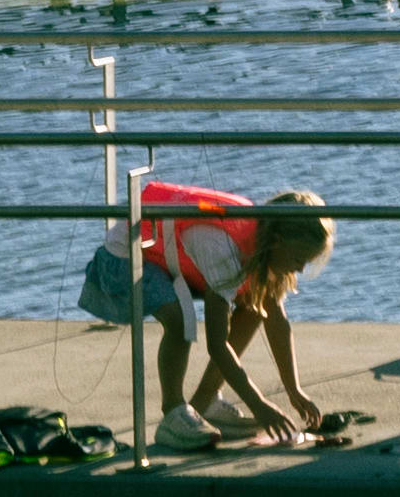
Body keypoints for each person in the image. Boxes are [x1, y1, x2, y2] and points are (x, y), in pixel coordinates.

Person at [144, 189, 359, 444]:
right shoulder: (221, 246)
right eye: (299, 259)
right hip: (134, 256)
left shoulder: (264, 242)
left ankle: (204, 403)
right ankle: (173, 416)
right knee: (180, 322)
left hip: (177, 259)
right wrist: (259, 405)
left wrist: (294, 389)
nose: (300, 269)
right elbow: (217, 344)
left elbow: (277, 321)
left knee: (255, 308)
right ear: (277, 240)